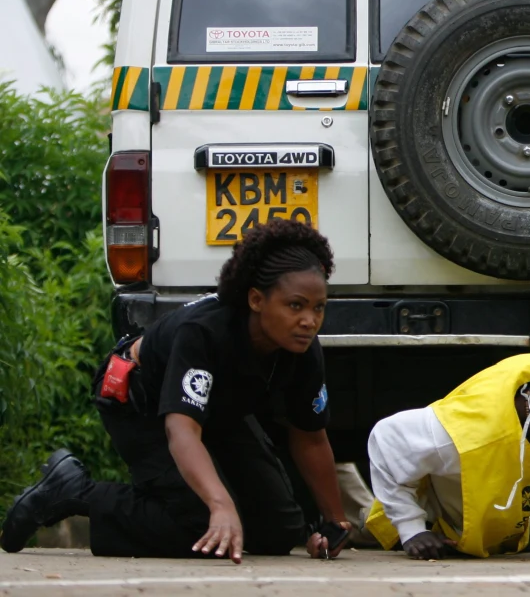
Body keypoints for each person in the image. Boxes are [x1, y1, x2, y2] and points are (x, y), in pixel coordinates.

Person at [0, 220, 351, 563]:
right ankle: (75, 492)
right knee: (203, 524)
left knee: (277, 532)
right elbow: (181, 430)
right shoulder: (204, 332)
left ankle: (211, 509)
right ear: (257, 300)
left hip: (215, 413)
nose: (309, 320)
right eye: (295, 305)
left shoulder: (302, 348)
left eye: (318, 307)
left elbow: (310, 438)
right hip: (140, 402)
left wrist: (335, 523)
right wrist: (219, 503)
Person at [365, 353, 530, 561]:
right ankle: (402, 530)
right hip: (442, 511)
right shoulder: (465, 435)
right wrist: (412, 529)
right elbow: (386, 437)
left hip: (509, 495)